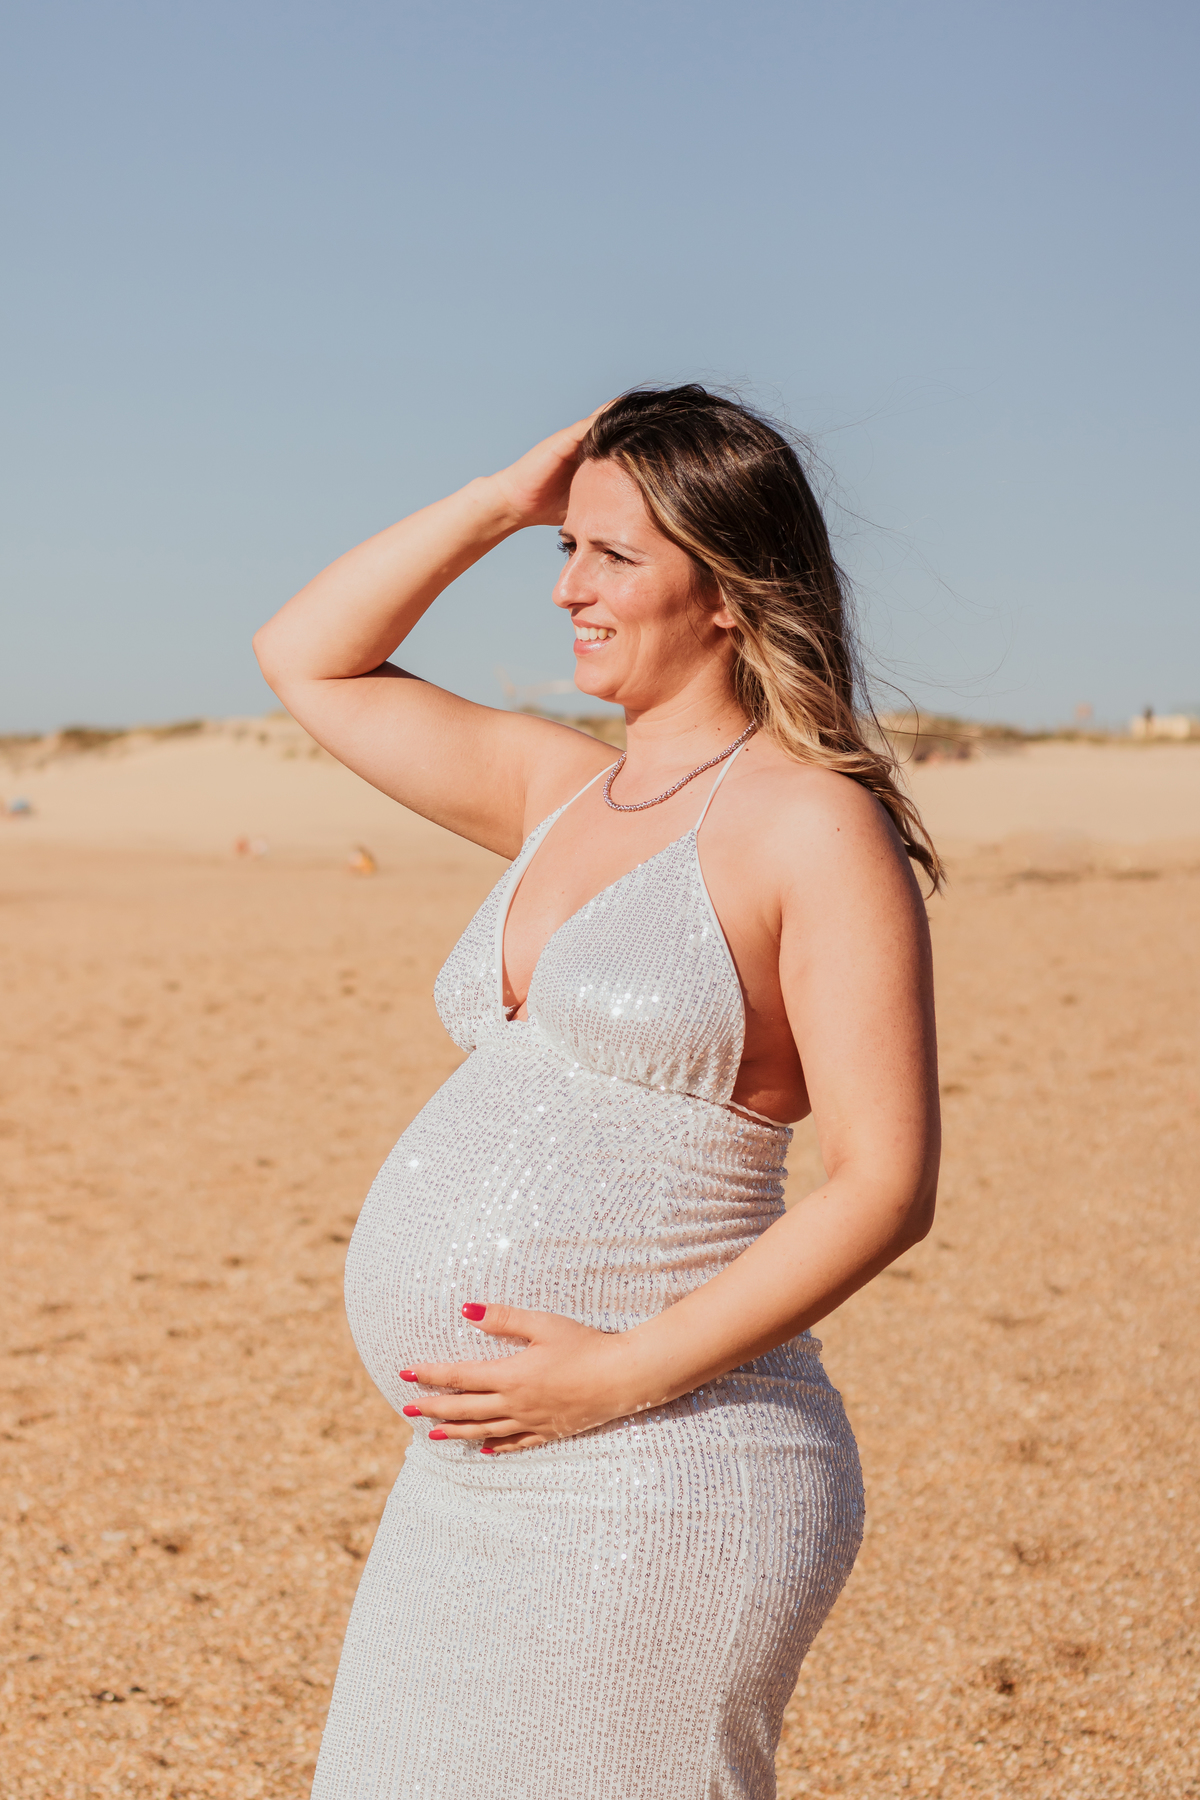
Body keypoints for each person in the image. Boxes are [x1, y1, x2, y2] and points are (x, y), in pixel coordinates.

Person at [253, 385, 941, 1800]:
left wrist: (616, 1376)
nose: (568, 587)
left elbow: (885, 1185)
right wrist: (504, 499)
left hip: (664, 1465)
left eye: (615, 556)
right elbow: (306, 657)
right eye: (566, 548)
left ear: (731, 591)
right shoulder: (561, 791)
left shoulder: (813, 825)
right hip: (470, 1472)